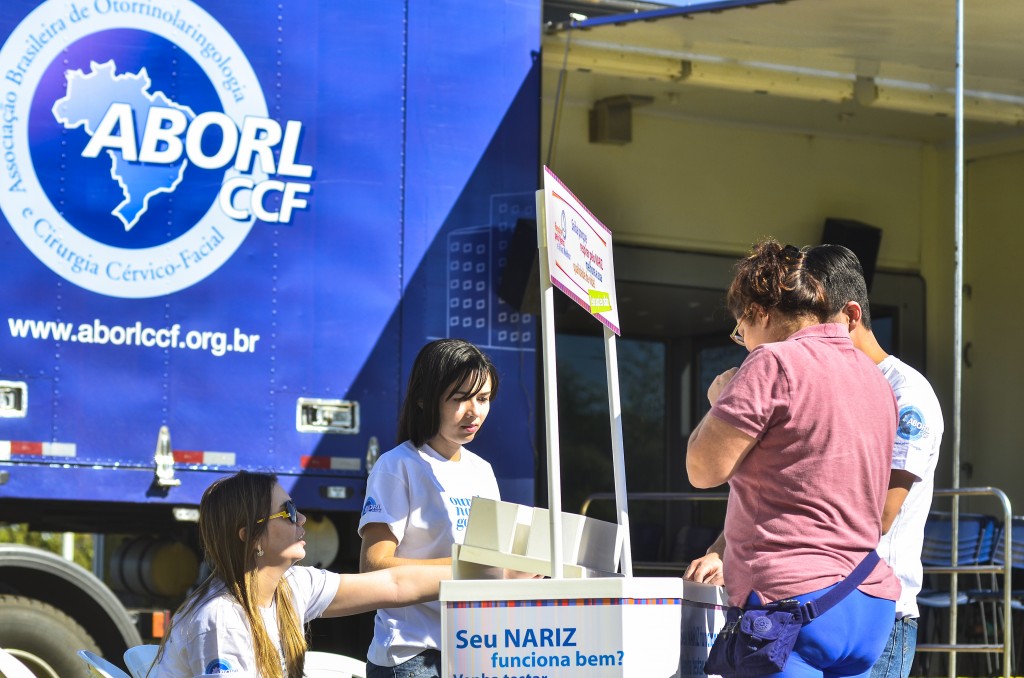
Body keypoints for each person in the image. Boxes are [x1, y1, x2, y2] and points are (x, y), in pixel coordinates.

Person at [685, 239, 901, 677]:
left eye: (740, 329)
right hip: (867, 603)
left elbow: (702, 469)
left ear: (759, 311)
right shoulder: (874, 378)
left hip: (792, 605)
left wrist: (721, 399)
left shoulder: (773, 362)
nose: (742, 342)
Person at [149, 471, 450, 678]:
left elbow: (394, 585)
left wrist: (477, 574)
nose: (302, 519)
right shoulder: (222, 618)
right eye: (288, 512)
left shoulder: (291, 585)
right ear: (252, 538)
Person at [358, 338, 501, 678]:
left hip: (469, 651)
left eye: (482, 399)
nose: (474, 411)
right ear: (424, 399)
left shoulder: (482, 471)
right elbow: (373, 565)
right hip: (412, 655)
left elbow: (494, 561)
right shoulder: (398, 466)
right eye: (460, 398)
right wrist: (464, 564)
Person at [842, 296, 943, 678]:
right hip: (828, 608)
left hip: (882, 613)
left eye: (818, 324)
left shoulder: (906, 392)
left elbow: (882, 514)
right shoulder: (835, 388)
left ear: (851, 316)